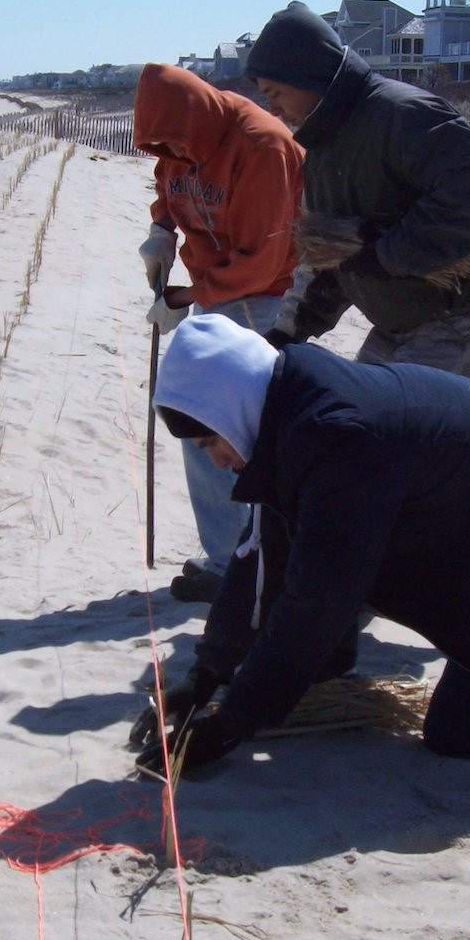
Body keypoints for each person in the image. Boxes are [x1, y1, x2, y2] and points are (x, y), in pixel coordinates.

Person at [130, 315, 470, 782]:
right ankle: (323, 666)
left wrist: (227, 728)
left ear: (231, 402)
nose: (215, 459)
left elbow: (314, 602)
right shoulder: (286, 406)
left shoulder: (333, 435)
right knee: (317, 579)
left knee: (468, 730)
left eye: (209, 441)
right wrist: (204, 677)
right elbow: (263, 557)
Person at [244, 1, 470, 386]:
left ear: (309, 76)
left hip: (458, 323)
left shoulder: (400, 114)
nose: (272, 108)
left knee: (405, 439)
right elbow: (331, 258)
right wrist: (289, 331)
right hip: (396, 323)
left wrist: (387, 255)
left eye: (276, 92)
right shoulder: (323, 149)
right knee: (364, 426)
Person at [132, 62, 302, 603]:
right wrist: (161, 230)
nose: (171, 155)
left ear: (198, 118)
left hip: (265, 298)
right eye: (160, 146)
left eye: (176, 143)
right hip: (212, 290)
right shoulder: (176, 140)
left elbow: (260, 262)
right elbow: (168, 185)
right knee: (198, 427)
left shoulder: (262, 147)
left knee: (248, 436)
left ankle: (263, 560)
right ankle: (228, 556)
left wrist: (184, 297)